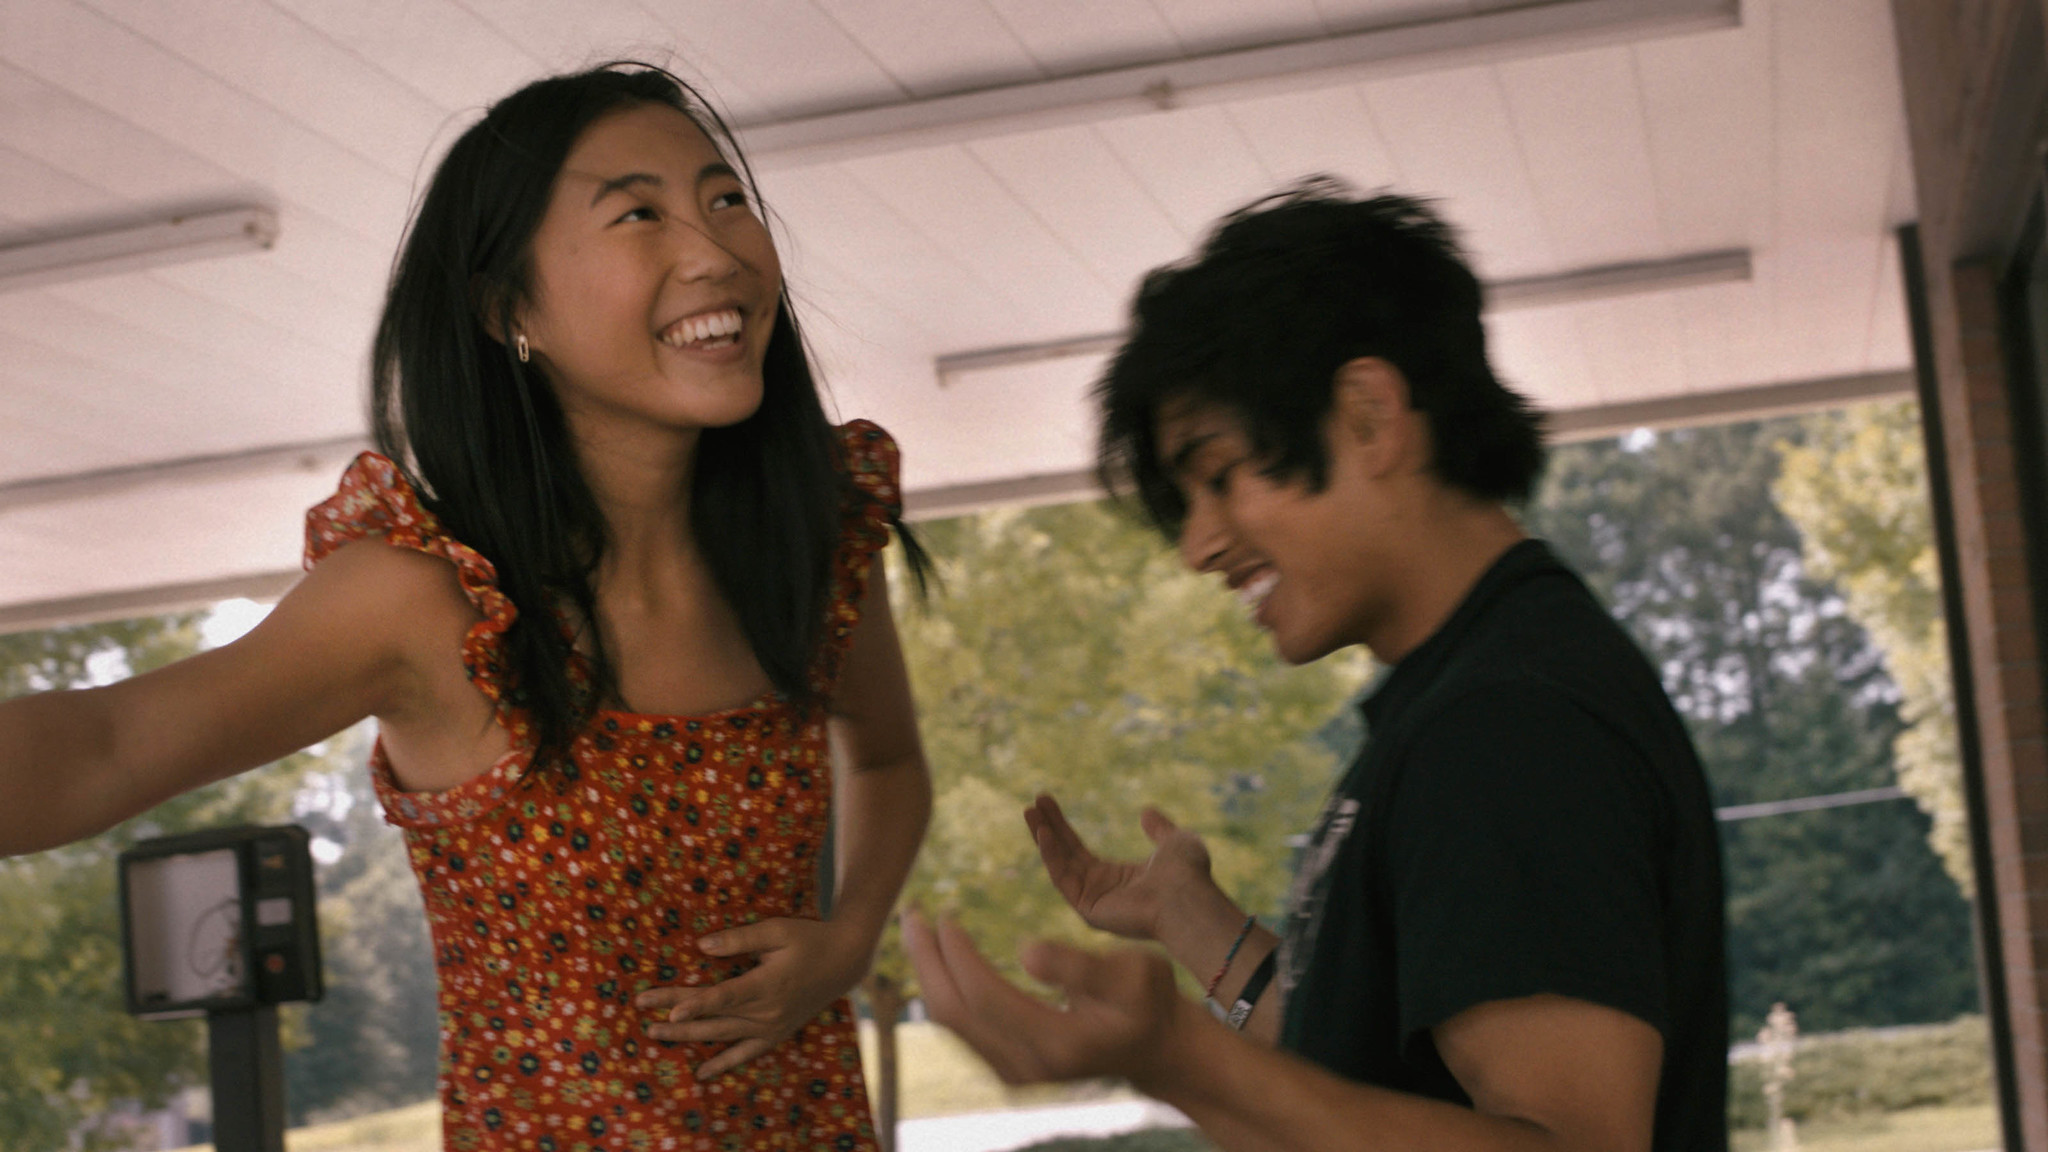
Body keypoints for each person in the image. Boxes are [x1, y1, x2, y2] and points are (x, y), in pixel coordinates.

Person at [0, 64, 930, 1151]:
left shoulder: (805, 542)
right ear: (507, 310)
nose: (715, 249)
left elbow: (889, 762)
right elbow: (103, 746)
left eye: (726, 199)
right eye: (639, 213)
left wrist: (852, 932)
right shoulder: (428, 603)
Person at [904, 184, 1728, 1152]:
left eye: (1217, 477)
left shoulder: (1505, 729)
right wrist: (1198, 930)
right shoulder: (1470, 696)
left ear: (1370, 416)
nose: (1197, 546)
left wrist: (1177, 1055)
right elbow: (1381, 1084)